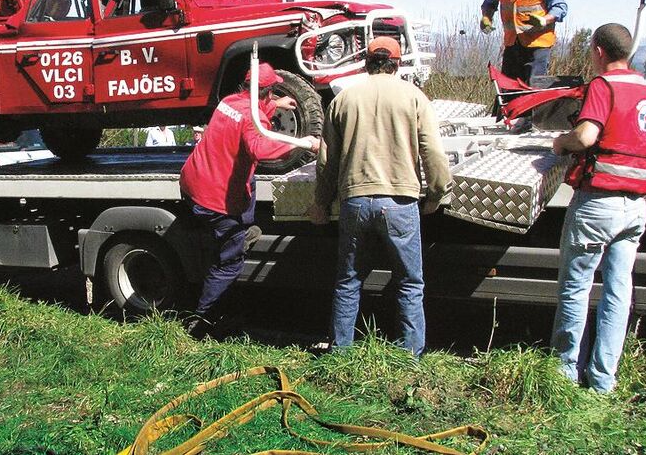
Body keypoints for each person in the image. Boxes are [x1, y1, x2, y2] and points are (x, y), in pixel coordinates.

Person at [307, 37, 451, 356]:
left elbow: (327, 161)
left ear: (366, 61)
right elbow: (433, 154)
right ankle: (409, 358)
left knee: (348, 281)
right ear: (397, 63)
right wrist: (436, 194)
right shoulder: (414, 97)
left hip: (355, 200)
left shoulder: (344, 99)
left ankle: (340, 354)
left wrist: (320, 202)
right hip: (400, 202)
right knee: (410, 284)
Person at [550, 23, 646, 393]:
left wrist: (561, 143)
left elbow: (586, 136)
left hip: (598, 204)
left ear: (598, 50)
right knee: (618, 292)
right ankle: (602, 380)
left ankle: (564, 374)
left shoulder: (604, 86)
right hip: (635, 208)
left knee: (575, 288)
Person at [180, 62, 319, 336]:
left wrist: (276, 104)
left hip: (192, 183)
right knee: (229, 262)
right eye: (271, 93)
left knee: (250, 181)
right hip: (214, 198)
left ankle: (241, 230)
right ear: (264, 92)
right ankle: (202, 321)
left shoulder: (229, 102)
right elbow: (259, 144)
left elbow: (249, 113)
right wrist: (304, 143)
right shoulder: (252, 118)